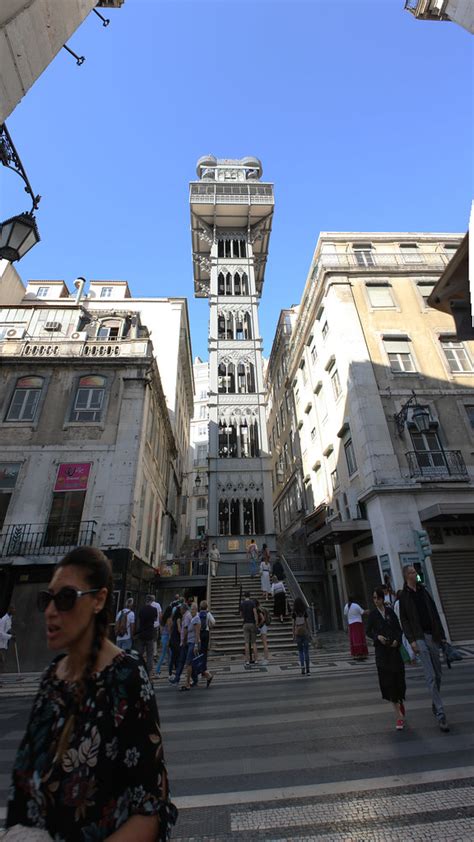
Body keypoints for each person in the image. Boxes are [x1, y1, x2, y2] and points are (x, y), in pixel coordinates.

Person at [6, 546, 177, 840]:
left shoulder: (128, 677)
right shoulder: (51, 679)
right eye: (46, 599)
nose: (50, 611)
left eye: (65, 598)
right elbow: (23, 790)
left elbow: (149, 811)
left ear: (99, 600)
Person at [399, 564, 450, 732]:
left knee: (438, 674)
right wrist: (411, 640)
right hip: (419, 638)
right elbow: (404, 620)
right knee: (430, 676)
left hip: (432, 636)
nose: (416, 574)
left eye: (416, 571)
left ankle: (435, 703)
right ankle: (441, 713)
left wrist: (441, 636)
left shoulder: (423, 591)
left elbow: (434, 613)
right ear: (407, 576)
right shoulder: (404, 597)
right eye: (413, 572)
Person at [366, 587, 407, 730]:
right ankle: (398, 716)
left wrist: (397, 640)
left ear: (383, 599)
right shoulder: (372, 615)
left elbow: (398, 629)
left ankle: (400, 701)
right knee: (388, 682)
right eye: (374, 598)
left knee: (398, 679)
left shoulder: (390, 612)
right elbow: (368, 631)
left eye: (378, 598)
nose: (376, 601)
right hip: (382, 653)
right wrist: (377, 637)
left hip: (394, 652)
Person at [192, 600, 215, 685]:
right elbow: (213, 622)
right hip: (206, 633)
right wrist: (210, 625)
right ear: (207, 607)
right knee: (204, 652)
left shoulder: (197, 614)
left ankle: (202, 670)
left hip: (199, 633)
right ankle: (204, 669)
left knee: (199, 652)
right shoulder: (208, 614)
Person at [135, 594, 158, 676]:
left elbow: (139, 620)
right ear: (151, 601)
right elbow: (155, 619)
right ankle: (149, 671)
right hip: (150, 634)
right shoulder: (154, 610)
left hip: (141, 634)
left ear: (145, 601)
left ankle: (138, 668)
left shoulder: (141, 610)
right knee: (150, 654)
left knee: (140, 653)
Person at [343, 596, 369, 660]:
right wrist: (368, 611)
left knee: (354, 638)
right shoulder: (356, 605)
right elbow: (362, 612)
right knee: (359, 637)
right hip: (358, 623)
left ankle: (355, 653)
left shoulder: (346, 606)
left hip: (351, 624)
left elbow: (345, 614)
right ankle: (361, 652)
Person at [393, 590, 415, 663]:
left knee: (405, 641)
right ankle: (412, 657)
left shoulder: (397, 603)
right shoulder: (406, 602)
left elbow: (396, 614)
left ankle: (409, 657)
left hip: (401, 624)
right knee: (408, 640)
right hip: (407, 623)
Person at [292, 596, 311, 675]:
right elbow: (307, 623)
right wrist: (309, 632)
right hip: (305, 633)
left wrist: (293, 634)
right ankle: (308, 668)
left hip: (298, 633)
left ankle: (302, 667)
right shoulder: (304, 612)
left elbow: (293, 624)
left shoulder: (294, 613)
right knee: (306, 651)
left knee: (300, 651)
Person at [240, 590, 258, 665]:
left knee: (246, 643)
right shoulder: (252, 603)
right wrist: (256, 623)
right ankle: (256, 659)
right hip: (252, 623)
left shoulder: (242, 603)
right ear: (249, 596)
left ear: (244, 596)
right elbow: (255, 613)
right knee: (254, 642)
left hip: (245, 623)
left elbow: (241, 614)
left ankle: (247, 660)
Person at [155, 604, 173, 677]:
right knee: (167, 655)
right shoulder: (169, 619)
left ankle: (169, 671)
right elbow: (169, 630)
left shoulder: (163, 618)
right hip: (167, 637)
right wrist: (170, 639)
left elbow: (161, 629)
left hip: (163, 636)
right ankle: (158, 670)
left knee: (167, 655)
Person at [0, 605, 14, 682]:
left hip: (4, 644)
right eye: (13, 608)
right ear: (9, 609)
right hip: (0, 644)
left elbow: (8, 628)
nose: (14, 610)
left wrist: (12, 633)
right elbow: (0, 633)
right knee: (1, 661)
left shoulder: (9, 618)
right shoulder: (3, 619)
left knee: (2, 661)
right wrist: (10, 636)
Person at [255, 599, 270, 666]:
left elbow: (263, 619)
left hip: (262, 626)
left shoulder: (258, 610)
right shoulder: (262, 609)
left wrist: (258, 625)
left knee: (264, 643)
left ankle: (266, 659)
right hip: (264, 626)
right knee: (264, 642)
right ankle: (265, 658)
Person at [150, 594, 162, 659]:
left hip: (149, 625)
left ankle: (150, 651)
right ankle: (154, 652)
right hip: (156, 624)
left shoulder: (149, 605)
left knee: (150, 638)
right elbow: (160, 615)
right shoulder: (158, 605)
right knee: (155, 639)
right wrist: (160, 623)